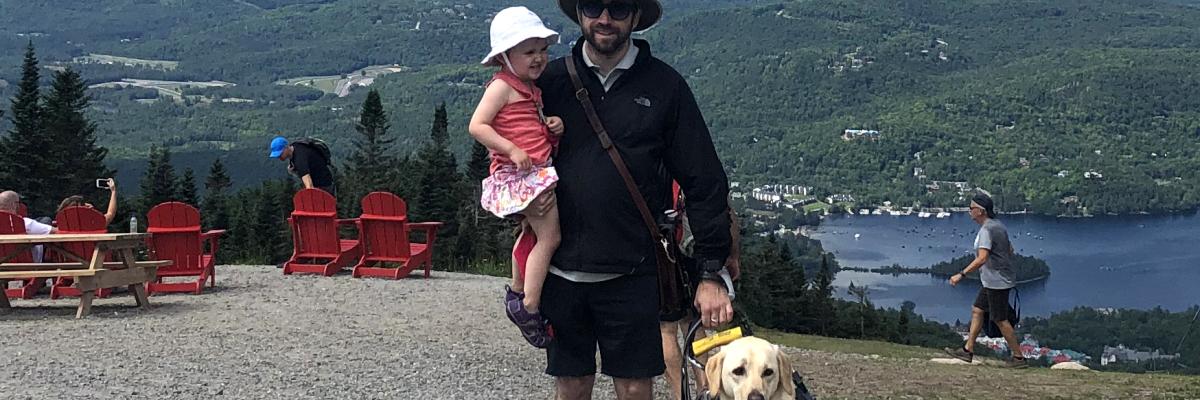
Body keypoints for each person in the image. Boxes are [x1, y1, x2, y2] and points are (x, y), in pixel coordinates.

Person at [535, 0, 735, 398]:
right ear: (578, 13)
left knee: (633, 387)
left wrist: (711, 273)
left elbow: (705, 181)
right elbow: (508, 151)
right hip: (560, 270)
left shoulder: (666, 87)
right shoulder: (550, 82)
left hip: (635, 271)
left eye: (619, 7)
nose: (604, 18)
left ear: (636, 17)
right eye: (593, 6)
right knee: (570, 383)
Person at [468, 6, 565, 349]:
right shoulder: (501, 87)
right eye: (529, 52)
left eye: (542, 49)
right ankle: (530, 306)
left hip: (531, 171)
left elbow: (530, 130)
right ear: (505, 57)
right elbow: (477, 125)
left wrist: (553, 127)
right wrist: (511, 149)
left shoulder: (527, 88)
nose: (539, 58)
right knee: (550, 238)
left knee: (530, 232)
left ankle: (517, 288)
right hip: (522, 175)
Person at [659, 187, 741, 399]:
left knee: (666, 328)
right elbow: (725, 211)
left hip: (661, 247)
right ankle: (706, 388)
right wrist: (731, 255)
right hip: (695, 248)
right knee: (693, 320)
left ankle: (680, 394)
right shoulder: (694, 161)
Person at [944, 192, 1027, 368]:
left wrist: (961, 274)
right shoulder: (998, 225)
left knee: (1000, 319)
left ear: (980, 211)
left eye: (971, 208)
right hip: (995, 279)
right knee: (977, 309)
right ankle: (968, 350)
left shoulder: (986, 230)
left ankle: (1019, 358)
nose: (969, 211)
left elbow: (982, 258)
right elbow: (1010, 249)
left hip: (996, 281)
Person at [0, 191, 56, 262]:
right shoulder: (25, 223)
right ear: (16, 205)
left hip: (2, 267)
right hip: (28, 267)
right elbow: (57, 232)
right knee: (46, 220)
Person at [268, 136, 335, 195]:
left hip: (324, 187)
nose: (279, 157)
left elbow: (309, 186)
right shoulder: (296, 146)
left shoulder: (300, 160)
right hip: (326, 181)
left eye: (280, 153)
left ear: (286, 148)